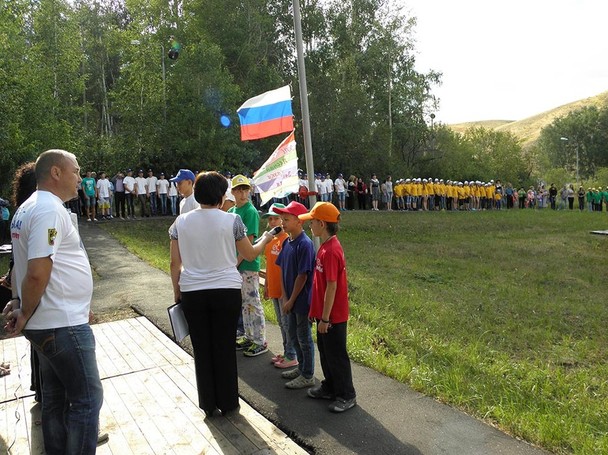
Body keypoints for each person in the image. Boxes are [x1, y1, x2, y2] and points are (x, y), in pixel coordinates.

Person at [5, 149, 104, 452]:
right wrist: (24, 311)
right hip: (61, 323)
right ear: (56, 173)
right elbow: (36, 272)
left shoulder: (28, 208)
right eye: (76, 171)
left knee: (55, 399)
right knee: (88, 399)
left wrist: (19, 303)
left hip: (49, 321)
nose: (80, 178)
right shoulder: (48, 209)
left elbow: (20, 265)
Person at [169, 171, 274, 416]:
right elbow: (250, 253)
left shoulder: (180, 223)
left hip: (193, 292)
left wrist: (177, 290)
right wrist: (266, 238)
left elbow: (175, 263)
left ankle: (208, 403)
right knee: (224, 347)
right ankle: (228, 403)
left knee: (202, 350)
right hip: (226, 291)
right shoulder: (232, 220)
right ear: (221, 196)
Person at [299, 201, 356, 413]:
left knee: (336, 355)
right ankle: (331, 387)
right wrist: (316, 312)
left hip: (333, 316)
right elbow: (320, 284)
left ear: (322, 224)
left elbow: (332, 286)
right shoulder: (324, 246)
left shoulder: (331, 250)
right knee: (326, 353)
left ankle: (347, 395)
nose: (310, 225)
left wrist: (325, 318)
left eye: (312, 221)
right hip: (323, 314)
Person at [273, 201, 316, 389]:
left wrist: (291, 299)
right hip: (289, 300)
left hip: (301, 301)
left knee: (304, 337)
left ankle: (308, 375)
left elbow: (303, 275)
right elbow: (282, 268)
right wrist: (284, 296)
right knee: (293, 334)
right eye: (282, 219)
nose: (282, 223)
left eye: (286, 219)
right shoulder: (287, 242)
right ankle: (301, 366)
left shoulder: (305, 244)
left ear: (299, 221)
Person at [229, 175, 268, 357]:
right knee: (244, 303)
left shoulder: (250, 211)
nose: (243, 194)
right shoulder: (232, 211)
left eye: (245, 190)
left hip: (248, 264)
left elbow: (249, 241)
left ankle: (260, 340)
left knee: (253, 301)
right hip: (236, 264)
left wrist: (234, 264)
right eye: (239, 190)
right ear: (233, 192)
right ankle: (249, 335)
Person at [261, 203, 297, 369]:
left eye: (276, 219)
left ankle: (292, 355)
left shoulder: (286, 241)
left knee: (287, 323)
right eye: (270, 219)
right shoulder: (270, 240)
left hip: (284, 290)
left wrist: (286, 292)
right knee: (281, 323)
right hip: (274, 288)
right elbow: (269, 265)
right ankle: (286, 351)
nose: (273, 222)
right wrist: (267, 285)